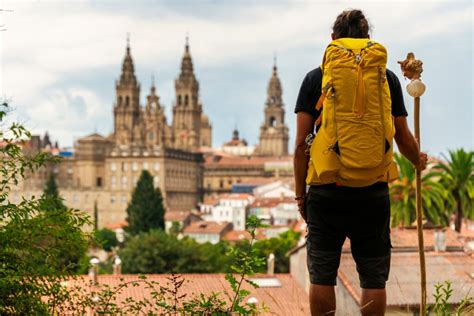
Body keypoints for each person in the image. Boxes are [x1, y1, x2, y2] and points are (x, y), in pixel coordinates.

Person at [293, 9, 428, 316]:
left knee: (323, 275)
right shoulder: (387, 78)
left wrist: (301, 195)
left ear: (333, 40)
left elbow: (301, 144)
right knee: (373, 278)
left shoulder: (316, 79)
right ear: (368, 39)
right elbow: (402, 137)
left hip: (327, 190)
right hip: (372, 191)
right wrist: (418, 161)